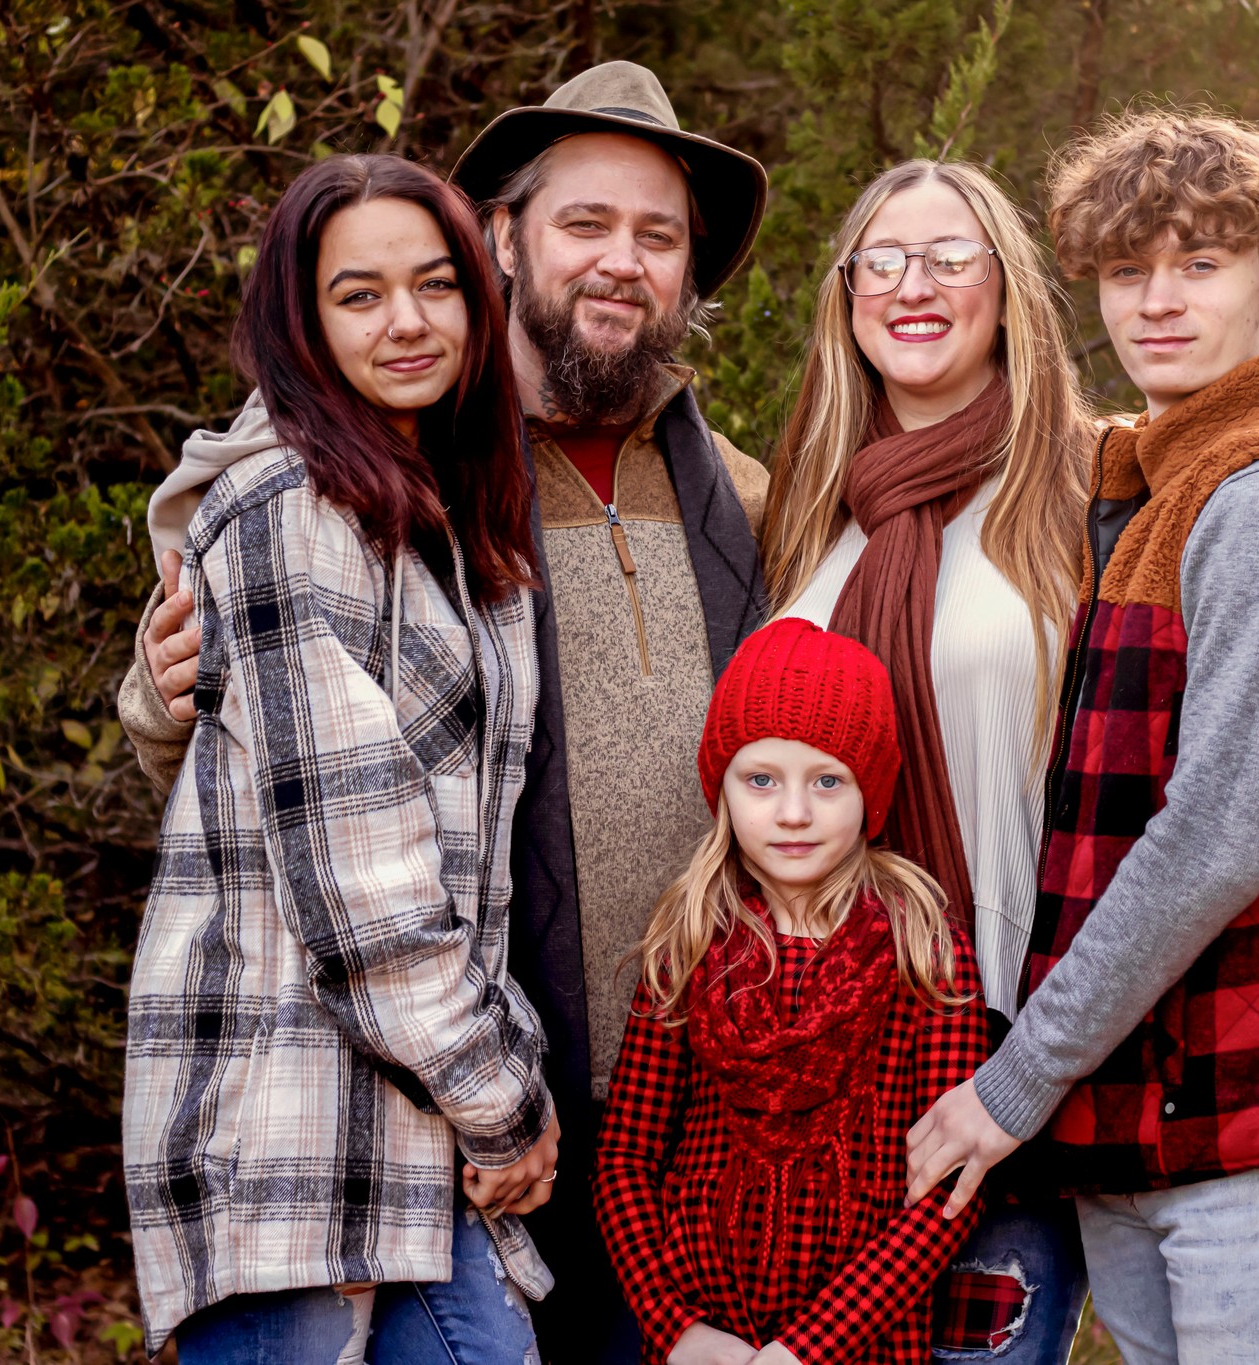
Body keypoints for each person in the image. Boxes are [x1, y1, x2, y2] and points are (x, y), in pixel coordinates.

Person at [118, 63, 772, 1358]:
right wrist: (159, 691)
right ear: (505, 241)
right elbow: (284, 791)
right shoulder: (375, 478)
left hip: (686, 1101)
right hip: (450, 1093)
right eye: (586, 222)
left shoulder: (747, 490)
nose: (620, 262)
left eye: (659, 236)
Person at [903, 109, 1259, 1362]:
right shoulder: (1154, 482)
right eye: (1124, 271)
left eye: (1201, 263)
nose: (1156, 302)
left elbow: (1221, 834)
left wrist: (1018, 1081)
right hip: (1146, 1107)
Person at [122, 155, 559, 1363]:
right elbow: (357, 881)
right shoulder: (287, 516)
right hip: (290, 1137)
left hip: (411, 1124)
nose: (406, 321)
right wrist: (502, 1099)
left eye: (434, 285)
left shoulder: (449, 521)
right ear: (300, 322)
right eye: (358, 295)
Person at [764, 159, 1095, 1361]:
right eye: (882, 260)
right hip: (805, 1071)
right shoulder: (805, 505)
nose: (913, 285)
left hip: (1000, 1056)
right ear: (845, 296)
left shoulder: (1089, 488)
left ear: (1005, 291)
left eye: (949, 257)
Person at [595, 617, 989, 1365]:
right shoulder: (689, 941)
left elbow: (946, 1190)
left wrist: (806, 1348)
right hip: (703, 1333)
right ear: (724, 786)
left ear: (870, 789)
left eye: (828, 780)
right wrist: (674, 1327)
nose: (794, 811)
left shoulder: (921, 946)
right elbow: (625, 1159)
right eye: (762, 779)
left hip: (858, 1341)